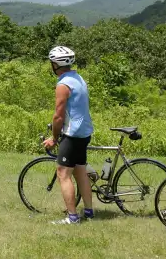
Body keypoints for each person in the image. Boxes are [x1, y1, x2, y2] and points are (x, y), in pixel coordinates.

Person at [41, 45, 95, 225]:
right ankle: (88, 211)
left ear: (55, 64)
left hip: (72, 134)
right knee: (80, 172)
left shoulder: (63, 85)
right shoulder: (79, 78)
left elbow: (58, 115)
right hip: (85, 132)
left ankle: (72, 217)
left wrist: (54, 138)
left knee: (63, 174)